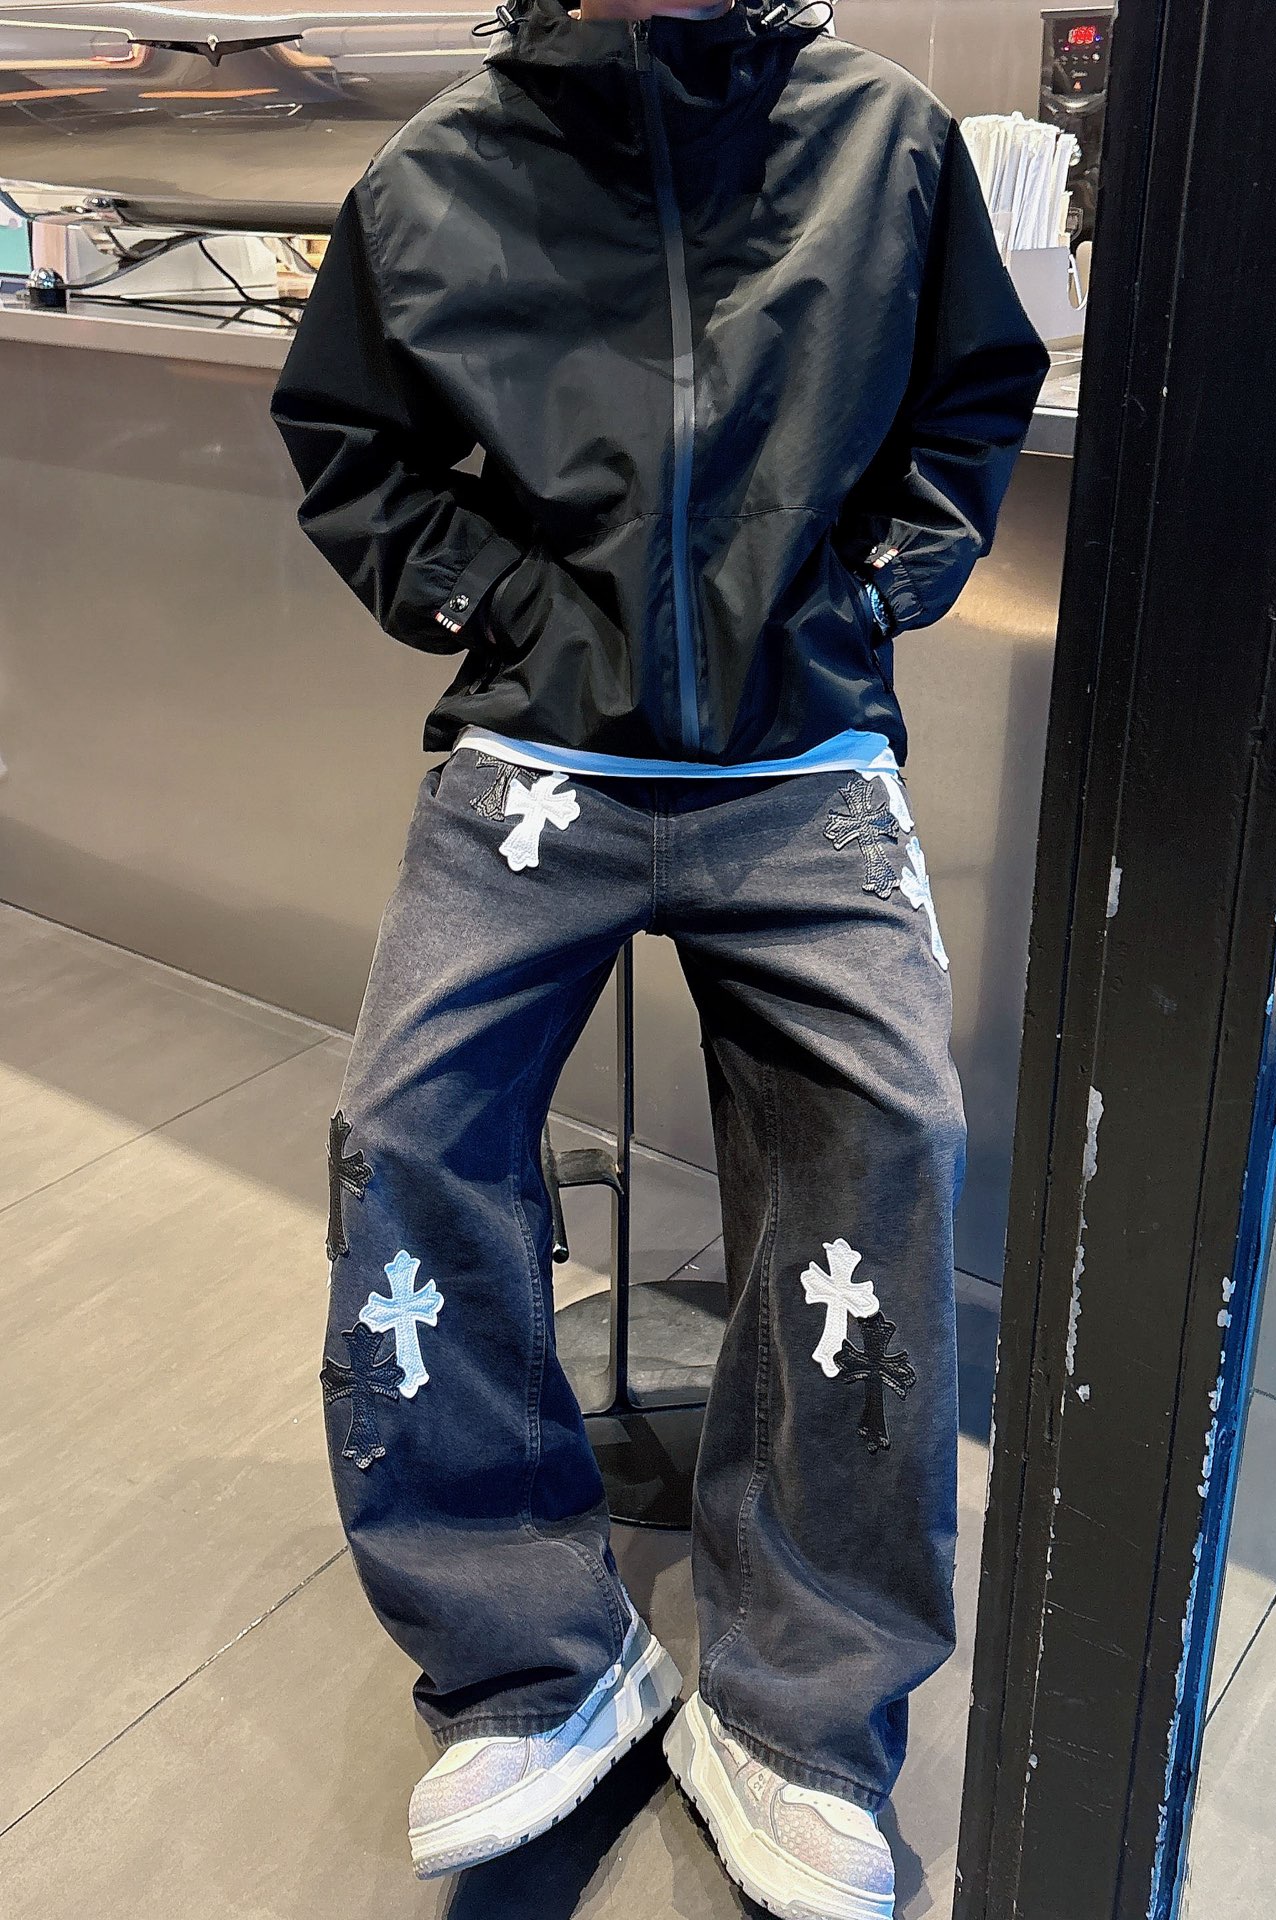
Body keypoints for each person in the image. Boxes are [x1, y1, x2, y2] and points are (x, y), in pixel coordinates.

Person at [269, 0, 1049, 1911]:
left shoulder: (884, 142)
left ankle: (805, 1705)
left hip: (803, 758)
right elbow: (351, 441)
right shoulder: (440, 172)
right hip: (539, 762)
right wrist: (513, 610)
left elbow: (971, 395)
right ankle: (532, 1660)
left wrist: (869, 597)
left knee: (885, 1141)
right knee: (412, 1134)